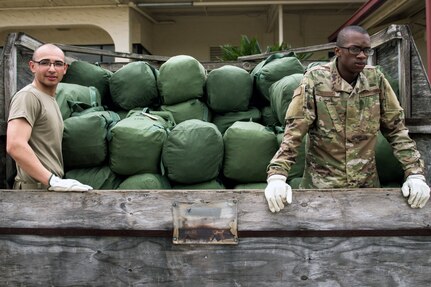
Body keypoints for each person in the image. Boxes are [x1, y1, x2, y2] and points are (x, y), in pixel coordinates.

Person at [264, 25, 430, 212]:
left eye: (366, 50)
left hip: (366, 190)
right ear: (338, 51)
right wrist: (277, 176)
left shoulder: (375, 79)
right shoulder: (315, 80)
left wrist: (415, 174)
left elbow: (396, 130)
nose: (361, 55)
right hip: (321, 190)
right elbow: (294, 133)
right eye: (354, 49)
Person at [6, 43, 92, 191]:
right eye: (44, 63)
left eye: (58, 64)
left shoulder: (51, 99)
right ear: (32, 66)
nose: (52, 69)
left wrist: (55, 182)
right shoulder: (28, 96)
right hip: (32, 193)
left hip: (47, 190)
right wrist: (52, 180)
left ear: (64, 69)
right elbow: (15, 145)